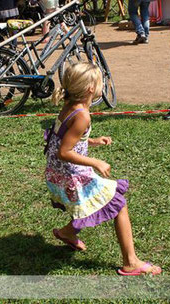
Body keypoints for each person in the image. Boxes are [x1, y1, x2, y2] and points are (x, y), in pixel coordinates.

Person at [45, 62, 162, 276]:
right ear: (91, 88)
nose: (102, 84)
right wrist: (96, 162)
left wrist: (93, 141)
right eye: (100, 81)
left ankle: (67, 233)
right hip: (69, 175)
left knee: (92, 204)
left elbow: (67, 138)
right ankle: (131, 262)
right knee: (118, 204)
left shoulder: (71, 105)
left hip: (59, 172)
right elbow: (64, 151)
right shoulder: (82, 115)